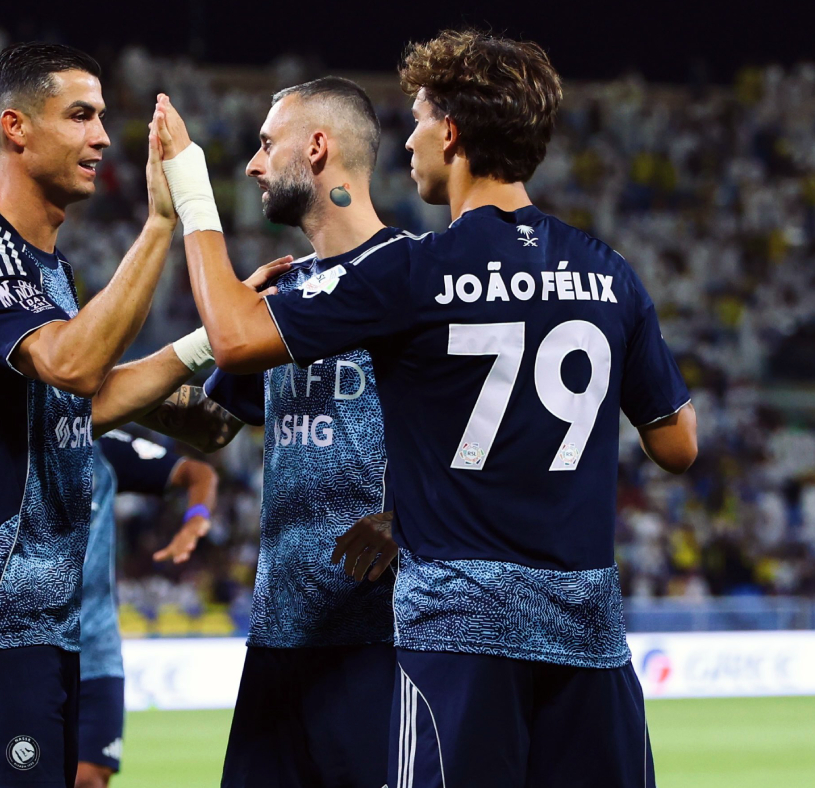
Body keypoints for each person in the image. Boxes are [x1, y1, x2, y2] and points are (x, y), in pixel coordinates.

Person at [154, 28, 698, 788]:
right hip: (588, 639)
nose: (407, 141)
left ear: (451, 133)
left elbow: (236, 340)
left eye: (417, 121)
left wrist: (187, 187)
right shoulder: (612, 274)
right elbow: (677, 447)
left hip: (458, 639)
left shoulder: (416, 271)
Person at [0, 42, 214, 788]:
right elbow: (73, 365)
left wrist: (213, 344)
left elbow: (80, 405)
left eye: (101, 117)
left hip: (42, 629)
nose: (101, 137)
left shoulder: (48, 272)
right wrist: (161, 224)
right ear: (16, 128)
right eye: (79, 116)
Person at [199, 77, 404, 788]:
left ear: (317, 148)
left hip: (383, 638)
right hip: (279, 637)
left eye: (266, 144)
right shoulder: (282, 295)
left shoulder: (413, 275)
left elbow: (491, 435)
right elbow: (209, 425)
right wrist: (75, 392)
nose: (253, 164)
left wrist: (409, 515)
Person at [77, 430, 219, 788]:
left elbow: (199, 473)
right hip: (29, 645)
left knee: (90, 778)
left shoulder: (103, 448)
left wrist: (195, 519)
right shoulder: (7, 442)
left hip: (96, 646)